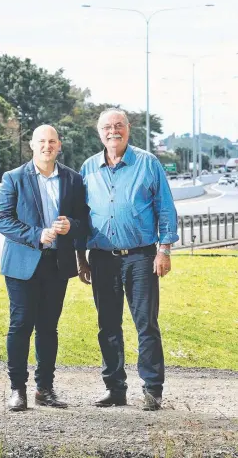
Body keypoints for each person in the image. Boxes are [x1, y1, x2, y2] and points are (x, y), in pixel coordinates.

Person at [76, 108, 179, 411]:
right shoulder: (88, 168)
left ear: (128, 128)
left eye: (118, 126)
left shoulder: (148, 163)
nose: (113, 131)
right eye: (107, 127)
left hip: (140, 257)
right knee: (107, 324)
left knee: (145, 323)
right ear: (99, 132)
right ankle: (115, 387)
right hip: (101, 259)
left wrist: (164, 250)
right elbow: (82, 216)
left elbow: (165, 208)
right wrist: (81, 258)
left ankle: (152, 389)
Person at [0, 124, 85, 412]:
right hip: (22, 264)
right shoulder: (14, 178)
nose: (47, 146)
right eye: (42, 141)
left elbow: (84, 220)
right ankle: (17, 390)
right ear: (32, 145)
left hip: (57, 264)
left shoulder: (72, 179)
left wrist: (71, 226)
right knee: (20, 326)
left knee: (48, 328)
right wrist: (36, 235)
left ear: (59, 146)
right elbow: (1, 219)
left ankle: (44, 389)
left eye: (52, 141)